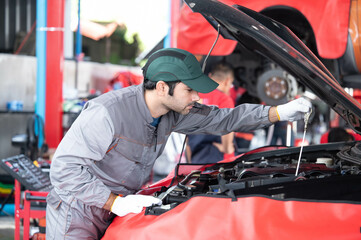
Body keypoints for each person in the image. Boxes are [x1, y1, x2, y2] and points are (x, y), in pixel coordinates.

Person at [46, 48, 312, 239]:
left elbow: (223, 119)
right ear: (162, 87)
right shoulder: (107, 113)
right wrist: (114, 201)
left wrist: (278, 113)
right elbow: (64, 170)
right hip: (78, 210)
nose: (197, 97)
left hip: (120, 206)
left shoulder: (171, 113)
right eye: (190, 90)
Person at [187, 62, 236, 163]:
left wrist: (189, 160)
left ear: (209, 76)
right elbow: (227, 127)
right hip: (217, 156)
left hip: (196, 155)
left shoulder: (193, 97)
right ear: (228, 81)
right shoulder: (224, 99)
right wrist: (227, 148)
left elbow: (186, 134)